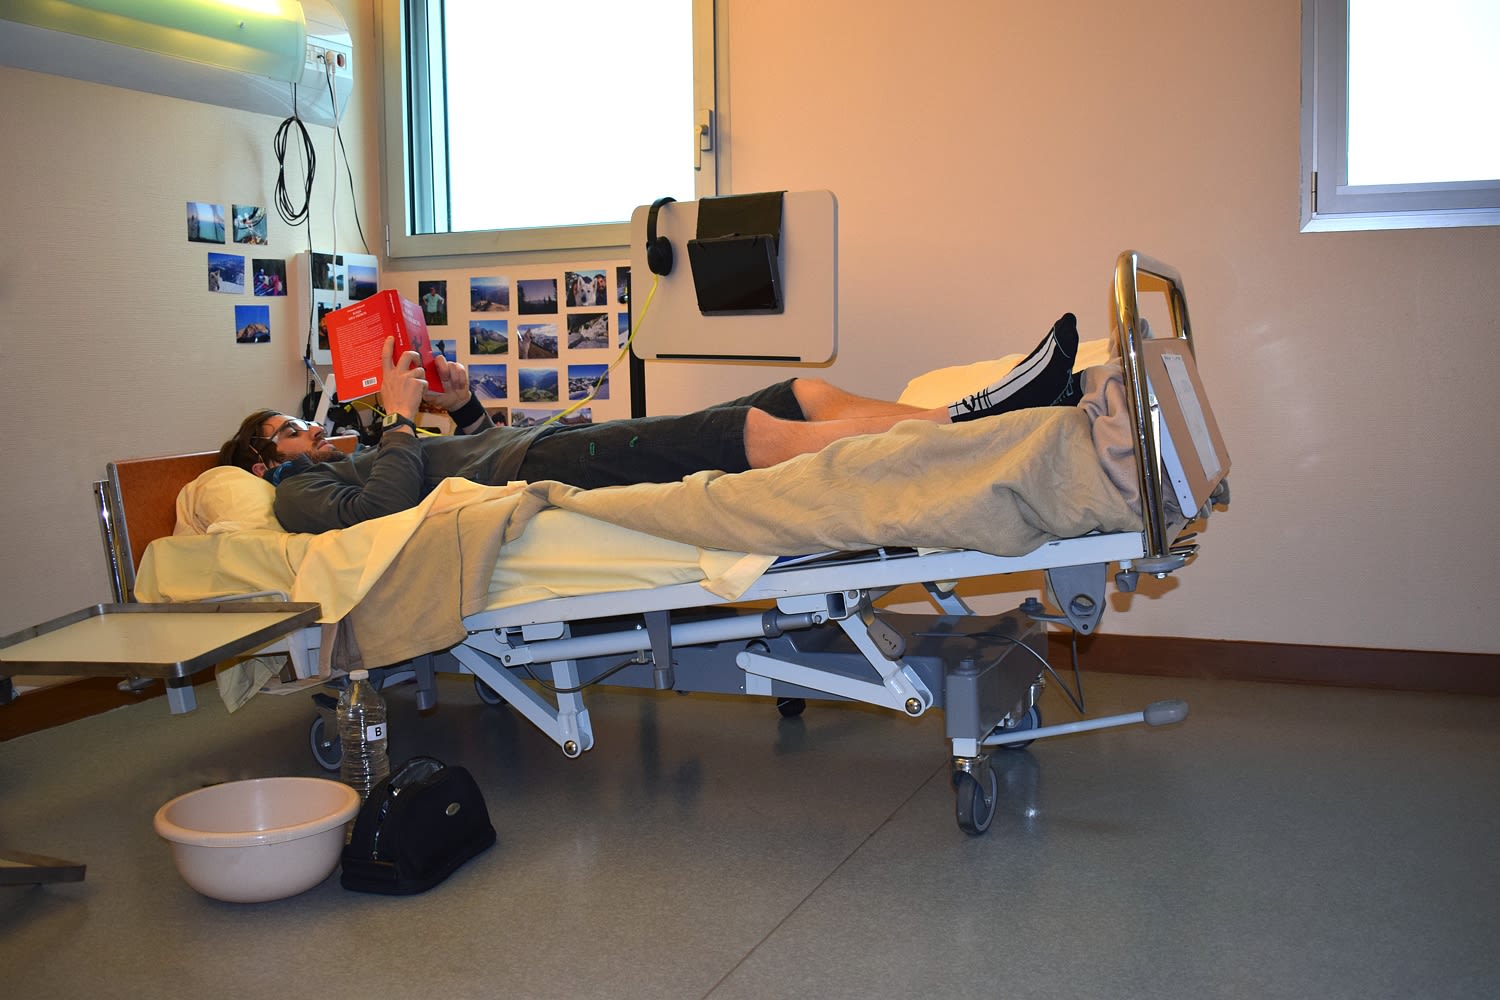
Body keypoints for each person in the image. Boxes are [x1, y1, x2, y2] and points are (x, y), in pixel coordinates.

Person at [219, 314, 1084, 534]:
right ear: (264, 465)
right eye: (291, 429)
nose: (312, 431)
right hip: (538, 469)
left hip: (528, 445)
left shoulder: (367, 450)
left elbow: (473, 448)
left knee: (797, 396)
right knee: (748, 437)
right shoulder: (299, 495)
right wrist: (401, 429)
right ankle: (976, 424)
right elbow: (380, 515)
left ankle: (969, 411)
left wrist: (457, 404)